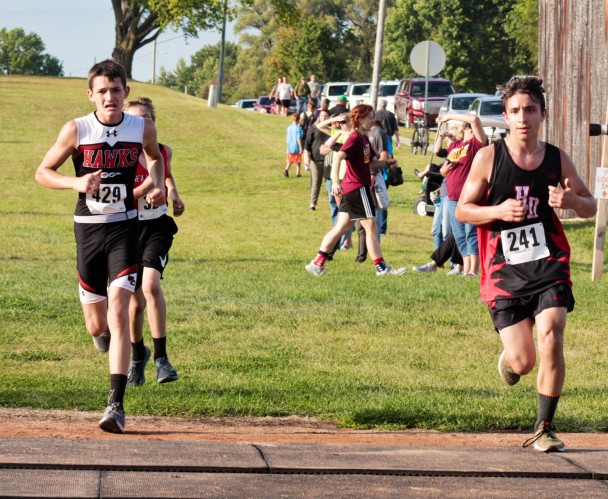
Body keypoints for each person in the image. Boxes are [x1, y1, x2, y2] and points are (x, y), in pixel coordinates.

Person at [456, 76, 596, 452]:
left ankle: (545, 427)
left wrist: (572, 202)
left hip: (549, 261)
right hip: (503, 270)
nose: (523, 118)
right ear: (505, 116)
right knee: (523, 362)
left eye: (530, 110)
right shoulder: (490, 157)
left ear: (542, 115)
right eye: (515, 111)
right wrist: (498, 209)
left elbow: (591, 205)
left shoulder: (556, 158)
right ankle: (511, 358)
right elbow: (462, 209)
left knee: (552, 332)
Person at [34, 59, 165, 434]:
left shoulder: (142, 126)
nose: (110, 97)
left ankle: (115, 404)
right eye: (102, 91)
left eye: (117, 90)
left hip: (125, 228)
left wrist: (156, 183)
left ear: (126, 91)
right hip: (88, 231)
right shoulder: (77, 129)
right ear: (91, 94)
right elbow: (42, 172)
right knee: (97, 325)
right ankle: (107, 340)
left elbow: (155, 157)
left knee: (120, 310)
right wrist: (76, 184)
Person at [123, 97, 184, 387]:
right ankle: (138, 356)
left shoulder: (161, 151)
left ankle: (162, 359)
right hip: (126, 228)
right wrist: (143, 190)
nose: (142, 124)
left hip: (156, 226)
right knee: (134, 304)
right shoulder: (120, 155)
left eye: (147, 119)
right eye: (136, 119)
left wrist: (172, 194)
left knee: (151, 285)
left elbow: (167, 175)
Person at [305, 104, 406, 277]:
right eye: (369, 117)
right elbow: (338, 156)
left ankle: (316, 263)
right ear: (359, 120)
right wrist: (336, 181)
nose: (372, 120)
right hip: (357, 188)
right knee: (371, 226)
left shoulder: (364, 139)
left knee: (341, 227)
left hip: (355, 189)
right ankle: (382, 269)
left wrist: (387, 163)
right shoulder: (354, 138)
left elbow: (371, 164)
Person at [437, 113, 488, 276]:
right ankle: (465, 268)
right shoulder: (455, 146)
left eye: (471, 128)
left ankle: (473, 269)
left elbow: (475, 120)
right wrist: (443, 170)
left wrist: (447, 117)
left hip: (469, 197)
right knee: (459, 234)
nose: (471, 129)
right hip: (451, 196)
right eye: (467, 128)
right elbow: (443, 167)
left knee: (471, 233)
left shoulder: (476, 145)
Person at [305, 108, 330, 211]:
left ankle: (332, 201)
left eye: (326, 116)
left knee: (329, 182)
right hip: (315, 159)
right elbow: (307, 145)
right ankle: (312, 203)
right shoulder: (313, 128)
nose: (324, 118)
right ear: (318, 117)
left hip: (329, 160)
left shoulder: (331, 129)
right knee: (316, 182)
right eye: (322, 116)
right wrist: (306, 158)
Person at [284, 113, 304, 177]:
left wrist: (288, 144)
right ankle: (298, 173)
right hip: (296, 147)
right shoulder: (299, 128)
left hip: (290, 146)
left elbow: (287, 137)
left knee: (290, 160)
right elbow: (298, 138)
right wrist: (301, 147)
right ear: (298, 119)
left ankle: (286, 169)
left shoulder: (289, 128)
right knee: (298, 161)